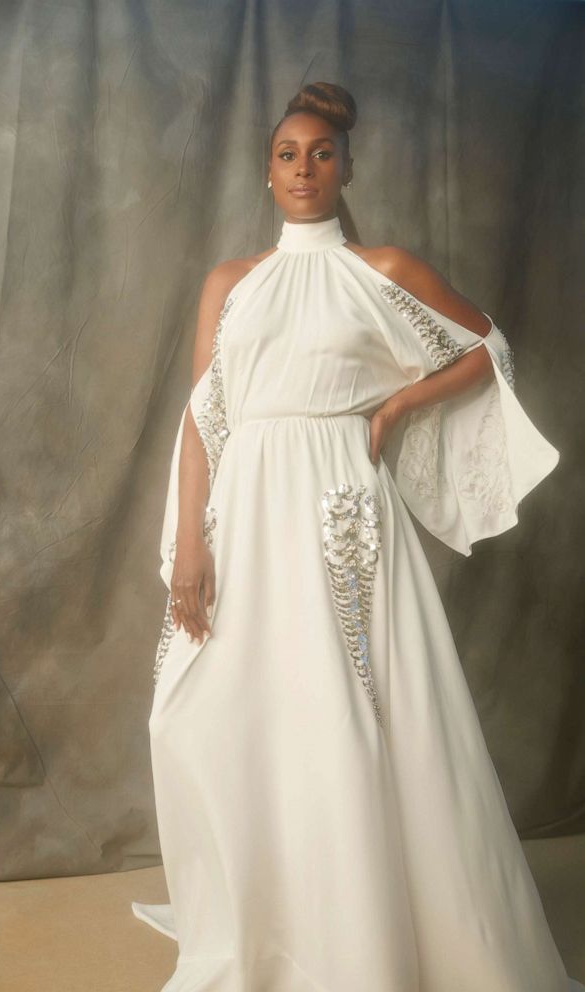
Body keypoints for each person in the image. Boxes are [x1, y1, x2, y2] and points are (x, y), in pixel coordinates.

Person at [132, 82, 583, 991]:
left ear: (346, 167)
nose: (304, 168)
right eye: (288, 154)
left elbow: (483, 346)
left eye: (322, 153)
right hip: (244, 511)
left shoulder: (382, 268)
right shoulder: (231, 283)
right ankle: (273, 912)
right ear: (267, 173)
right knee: (215, 707)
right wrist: (190, 541)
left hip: (339, 510)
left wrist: (399, 404)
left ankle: (363, 927)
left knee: (343, 711)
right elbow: (200, 419)